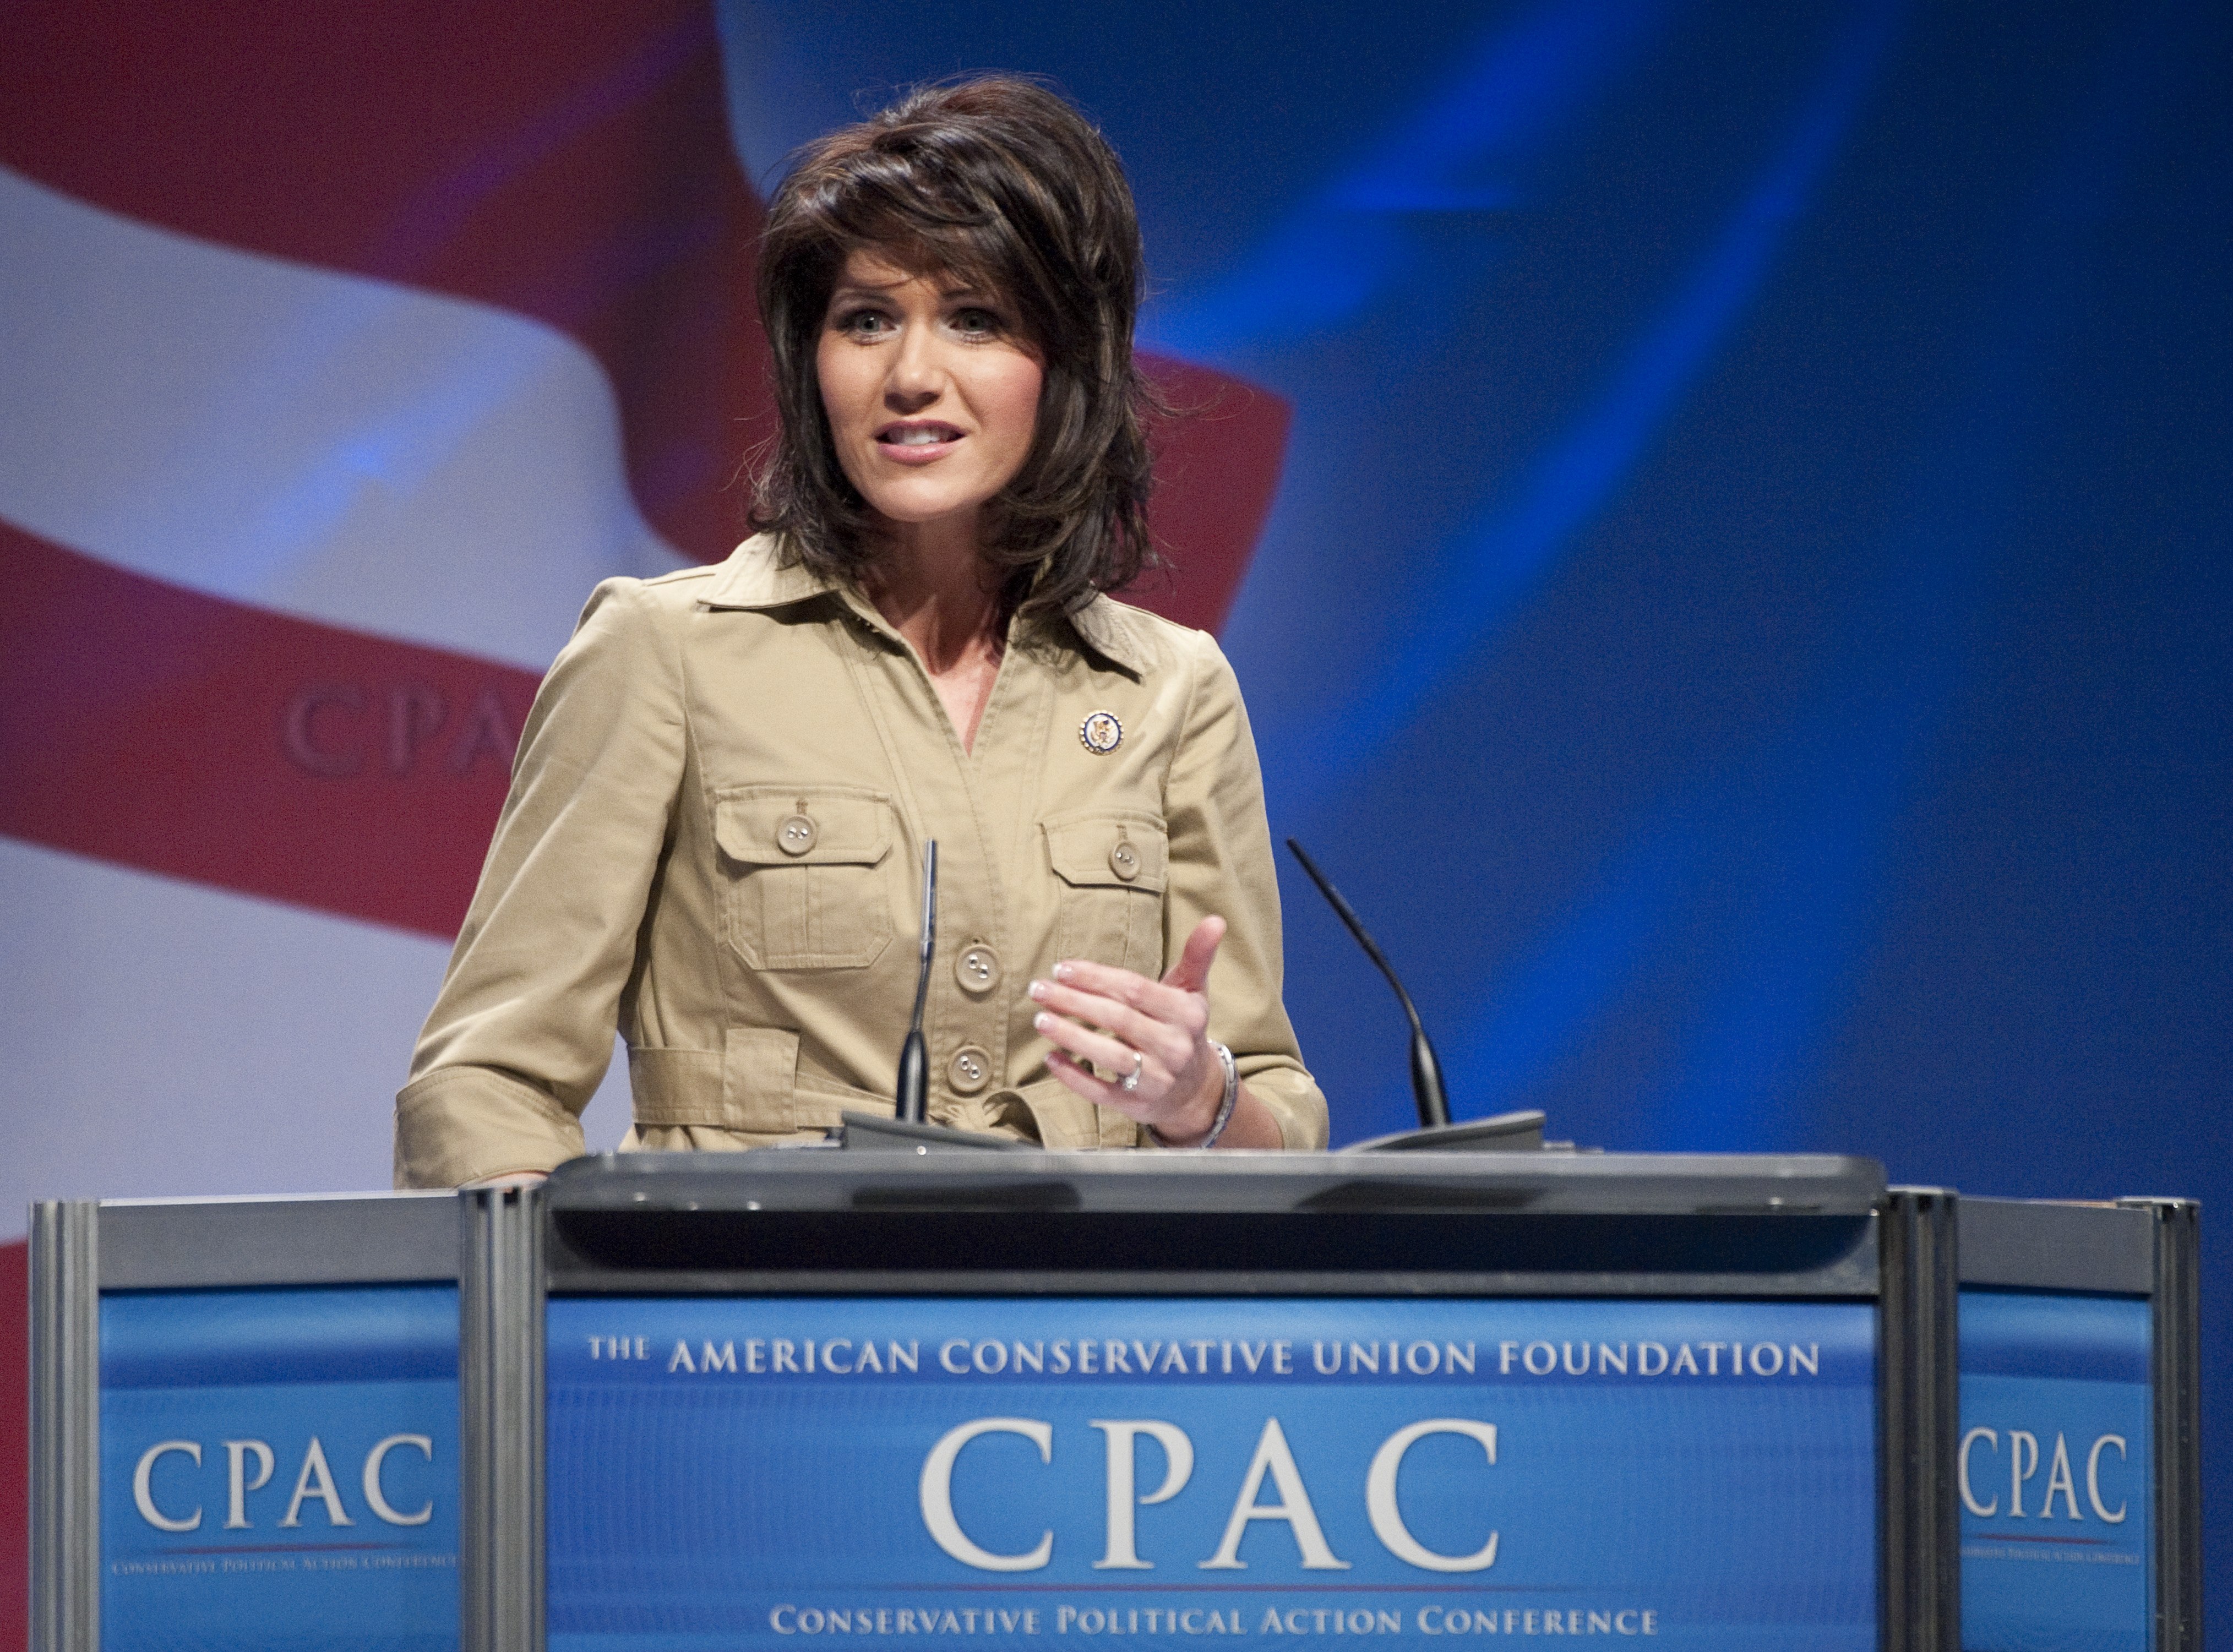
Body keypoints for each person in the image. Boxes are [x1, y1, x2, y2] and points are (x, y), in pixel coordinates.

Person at [392, 77, 1327, 1188]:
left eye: (975, 318)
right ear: (811, 362)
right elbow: (485, 1083)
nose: (911, 375)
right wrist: (583, 1337)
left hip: (1075, 1339)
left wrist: (1199, 1098)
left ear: (1065, 365)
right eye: (866, 319)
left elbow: (1277, 1117)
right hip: (749, 1339)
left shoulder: (1172, 690)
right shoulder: (665, 652)